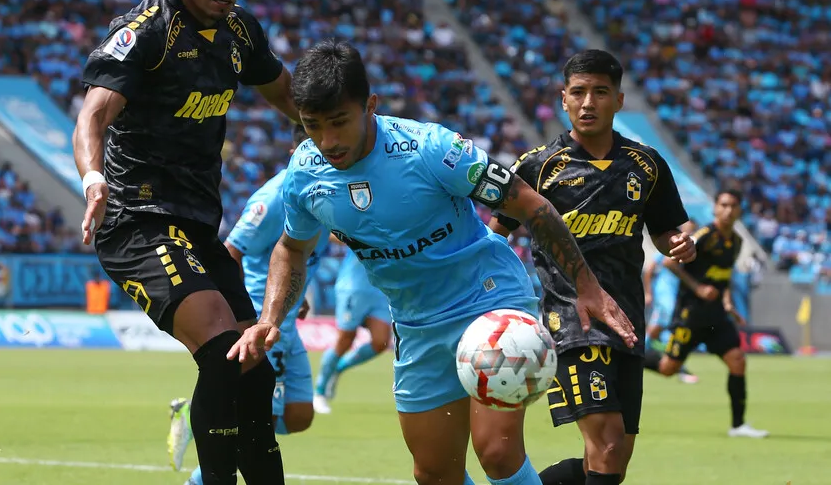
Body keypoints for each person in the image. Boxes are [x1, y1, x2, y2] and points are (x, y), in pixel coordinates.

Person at [230, 39, 636, 485]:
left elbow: (532, 206)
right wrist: (270, 317)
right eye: (312, 126)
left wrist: (587, 286)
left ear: (370, 105)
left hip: (487, 301)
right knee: (433, 473)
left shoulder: (430, 149)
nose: (327, 141)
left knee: (496, 453)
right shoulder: (304, 174)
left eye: (339, 122)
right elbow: (292, 248)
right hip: (416, 322)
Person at [72, 0, 299, 485]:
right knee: (226, 353)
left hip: (196, 226)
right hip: (135, 219)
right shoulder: (148, 30)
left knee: (257, 368)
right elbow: (93, 116)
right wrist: (93, 177)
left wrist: (349, 137)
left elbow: (292, 102)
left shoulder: (241, 31)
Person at [489, 49, 696, 485]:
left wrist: (677, 243)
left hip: (627, 320)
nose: (588, 103)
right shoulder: (535, 166)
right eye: (579, 93)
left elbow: (663, 230)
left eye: (600, 92)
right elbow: (496, 235)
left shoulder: (647, 165)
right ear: (563, 99)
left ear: (619, 101)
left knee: (610, 460)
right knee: (606, 444)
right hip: (569, 321)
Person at [168, 125, 331, 483]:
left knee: (300, 415)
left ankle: (200, 411)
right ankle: (202, 460)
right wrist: (243, 315)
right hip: (260, 321)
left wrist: (295, 298)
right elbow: (230, 252)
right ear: (296, 153)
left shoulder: (325, 187)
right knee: (259, 420)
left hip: (287, 318)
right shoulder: (273, 197)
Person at [643, 190, 768, 438]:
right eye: (723, 205)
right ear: (715, 209)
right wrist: (697, 287)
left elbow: (724, 277)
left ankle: (738, 425)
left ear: (739, 210)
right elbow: (670, 262)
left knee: (738, 361)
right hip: (691, 315)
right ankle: (630, 355)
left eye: (733, 205)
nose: (728, 210)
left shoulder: (737, 242)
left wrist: (729, 302)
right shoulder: (705, 236)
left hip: (717, 317)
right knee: (668, 368)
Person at [313, 248, 392, 414]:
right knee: (345, 340)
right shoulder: (362, 223)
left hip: (379, 290)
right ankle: (319, 392)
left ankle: (339, 367)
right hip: (354, 287)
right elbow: (334, 233)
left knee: (381, 342)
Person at [642, 221, 699, 384]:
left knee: (659, 328)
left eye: (692, 229)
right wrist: (648, 292)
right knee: (667, 326)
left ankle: (640, 353)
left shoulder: (688, 249)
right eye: (687, 228)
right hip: (664, 294)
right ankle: (678, 367)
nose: (689, 231)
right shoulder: (672, 246)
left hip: (674, 295)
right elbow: (650, 270)